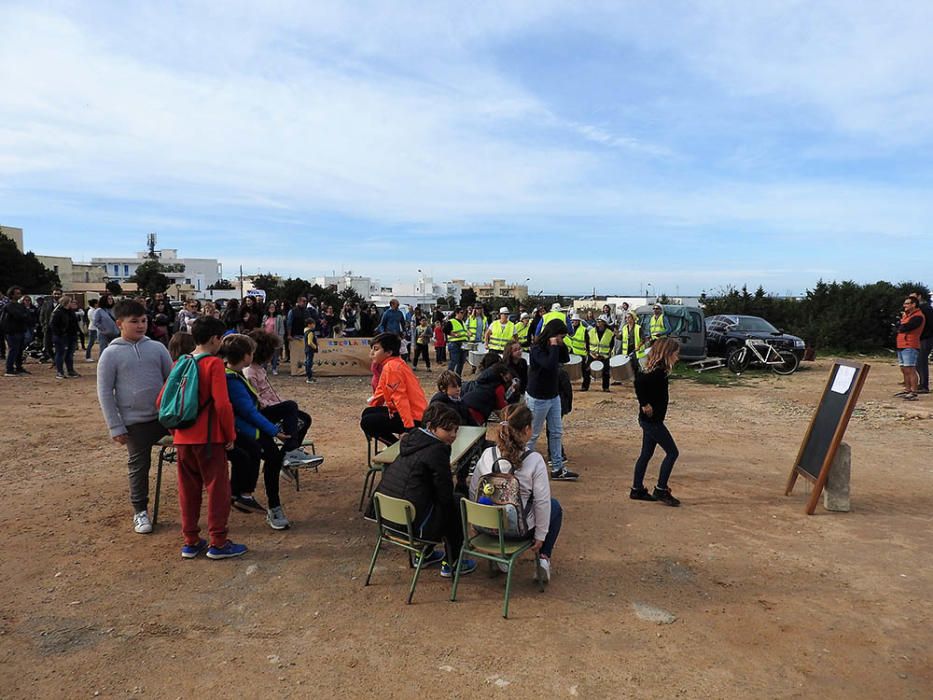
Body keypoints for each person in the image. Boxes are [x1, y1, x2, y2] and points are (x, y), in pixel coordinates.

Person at [158, 316, 245, 559]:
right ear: (216, 339)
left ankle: (191, 540)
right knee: (218, 489)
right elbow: (222, 405)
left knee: (188, 490)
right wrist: (230, 434)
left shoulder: (181, 362)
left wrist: (176, 431)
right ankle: (218, 542)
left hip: (183, 437)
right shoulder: (214, 364)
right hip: (209, 438)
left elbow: (161, 401)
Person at [373, 403, 477, 578]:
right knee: (455, 503)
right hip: (413, 527)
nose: (453, 435)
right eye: (447, 430)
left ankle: (424, 554)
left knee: (432, 502)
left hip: (388, 520)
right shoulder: (437, 450)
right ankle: (452, 562)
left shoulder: (411, 441)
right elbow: (445, 494)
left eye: (455, 430)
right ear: (431, 427)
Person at [96, 299, 173, 534]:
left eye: (144, 321)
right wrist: (115, 427)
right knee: (139, 465)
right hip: (135, 423)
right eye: (134, 322)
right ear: (120, 323)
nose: (140, 325)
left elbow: (171, 382)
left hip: (164, 419)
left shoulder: (158, 348)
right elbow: (105, 393)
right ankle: (140, 511)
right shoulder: (110, 354)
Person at [470, 403, 563, 583]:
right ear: (527, 429)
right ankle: (543, 559)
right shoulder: (534, 460)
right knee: (554, 506)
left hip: (486, 528)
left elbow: (474, 490)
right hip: (518, 531)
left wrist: (476, 522)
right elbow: (542, 503)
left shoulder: (487, 455)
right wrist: (540, 536)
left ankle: (501, 559)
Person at [221, 333, 294, 530]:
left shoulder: (233, 375)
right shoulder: (234, 379)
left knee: (273, 457)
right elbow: (249, 412)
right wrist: (273, 431)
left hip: (252, 429)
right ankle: (265, 503)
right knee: (268, 457)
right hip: (247, 431)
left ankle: (269, 503)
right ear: (246, 356)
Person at [244, 329, 322, 471]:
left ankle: (290, 453)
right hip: (262, 413)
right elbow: (256, 400)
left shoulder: (259, 369)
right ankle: (290, 452)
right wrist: (279, 407)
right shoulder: (250, 372)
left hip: (271, 407)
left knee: (305, 419)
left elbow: (270, 393)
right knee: (290, 406)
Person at [631, 337, 682, 506]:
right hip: (652, 422)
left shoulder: (658, 369)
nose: (678, 357)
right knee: (672, 452)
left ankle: (636, 489)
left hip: (651, 421)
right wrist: (644, 403)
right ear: (667, 353)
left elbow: (640, 380)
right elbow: (638, 382)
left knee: (646, 454)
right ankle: (661, 489)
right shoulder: (657, 372)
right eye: (676, 354)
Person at [526, 319, 578, 481]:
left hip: (553, 395)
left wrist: (560, 345)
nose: (562, 339)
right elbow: (549, 364)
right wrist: (554, 346)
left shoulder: (556, 347)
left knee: (556, 432)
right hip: (538, 397)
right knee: (532, 434)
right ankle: (524, 466)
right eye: (561, 337)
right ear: (552, 335)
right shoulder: (536, 349)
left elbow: (565, 359)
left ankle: (557, 467)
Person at [360, 332, 427, 444]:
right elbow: (380, 392)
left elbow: (400, 398)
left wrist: (409, 428)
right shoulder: (392, 364)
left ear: (389, 352)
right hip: (408, 413)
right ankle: (396, 446)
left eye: (376, 349)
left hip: (414, 417)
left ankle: (397, 448)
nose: (371, 353)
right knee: (368, 413)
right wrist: (373, 408)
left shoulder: (392, 368)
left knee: (367, 422)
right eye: (372, 349)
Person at [895, 296, 926, 401]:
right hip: (902, 344)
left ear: (914, 304)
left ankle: (913, 391)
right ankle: (907, 389)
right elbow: (899, 327)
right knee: (904, 369)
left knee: (910, 369)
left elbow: (904, 328)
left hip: (910, 345)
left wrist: (901, 324)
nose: (905, 306)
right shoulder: (907, 316)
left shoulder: (918, 317)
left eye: (907, 303)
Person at [462, 362, 512, 426]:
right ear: (502, 375)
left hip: (465, 403)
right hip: (476, 411)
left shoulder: (485, 382)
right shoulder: (499, 387)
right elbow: (502, 406)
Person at [50, 295, 80, 379]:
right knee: (60, 353)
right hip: (61, 337)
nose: (72, 303)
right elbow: (53, 325)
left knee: (70, 354)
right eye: (71, 302)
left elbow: (74, 323)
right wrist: (60, 333)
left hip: (71, 336)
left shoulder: (71, 312)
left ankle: (70, 371)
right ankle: (60, 372)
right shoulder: (58, 312)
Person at [2, 286, 30, 377]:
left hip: (20, 330)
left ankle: (19, 367)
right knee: (13, 350)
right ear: (12, 295)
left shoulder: (19, 305)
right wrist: (24, 315)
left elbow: (27, 315)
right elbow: (19, 316)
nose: (19, 295)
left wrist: (25, 314)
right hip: (12, 332)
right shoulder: (9, 306)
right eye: (17, 293)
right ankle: (9, 369)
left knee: (19, 351)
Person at [911, 291, 933, 394]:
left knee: (921, 361)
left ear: (919, 296)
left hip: (926, 338)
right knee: (918, 361)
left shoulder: (926, 309)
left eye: (913, 298)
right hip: (922, 338)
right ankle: (921, 383)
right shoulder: (923, 308)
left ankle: (924, 386)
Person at [587, 315, 614, 392]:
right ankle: (585, 386)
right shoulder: (591, 331)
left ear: (604, 323)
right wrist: (591, 354)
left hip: (604, 355)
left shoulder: (610, 333)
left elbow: (611, 345)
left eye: (600, 321)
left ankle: (606, 387)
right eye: (597, 321)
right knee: (587, 370)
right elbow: (587, 343)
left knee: (606, 372)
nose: (598, 322)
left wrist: (607, 355)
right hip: (593, 354)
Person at [564, 314, 590, 390]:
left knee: (585, 371)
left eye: (576, 320)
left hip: (581, 353)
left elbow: (587, 342)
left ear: (579, 321)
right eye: (573, 320)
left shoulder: (584, 330)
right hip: (570, 352)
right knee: (567, 371)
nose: (574, 322)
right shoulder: (568, 329)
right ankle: (567, 385)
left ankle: (585, 386)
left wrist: (588, 352)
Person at [262, 302, 285, 375]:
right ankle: (264, 368)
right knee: (265, 354)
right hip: (266, 338)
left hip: (275, 338)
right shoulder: (265, 317)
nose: (272, 309)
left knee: (275, 354)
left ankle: (274, 368)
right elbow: (262, 326)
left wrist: (280, 338)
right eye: (270, 307)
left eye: (273, 307)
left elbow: (281, 329)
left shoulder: (279, 317)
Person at [445, 308, 469, 375]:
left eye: (463, 313)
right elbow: (445, 330)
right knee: (454, 361)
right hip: (454, 344)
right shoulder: (451, 321)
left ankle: (457, 379)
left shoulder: (463, 322)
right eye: (461, 313)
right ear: (456, 313)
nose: (462, 314)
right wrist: (454, 334)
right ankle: (448, 378)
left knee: (461, 362)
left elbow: (464, 332)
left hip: (463, 344)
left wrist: (468, 334)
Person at [304, 317, 318, 384]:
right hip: (310, 349)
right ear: (309, 325)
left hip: (306, 349)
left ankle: (310, 377)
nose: (314, 325)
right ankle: (309, 378)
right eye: (313, 324)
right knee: (309, 363)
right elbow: (310, 342)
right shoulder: (310, 332)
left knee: (308, 363)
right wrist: (315, 347)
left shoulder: (306, 331)